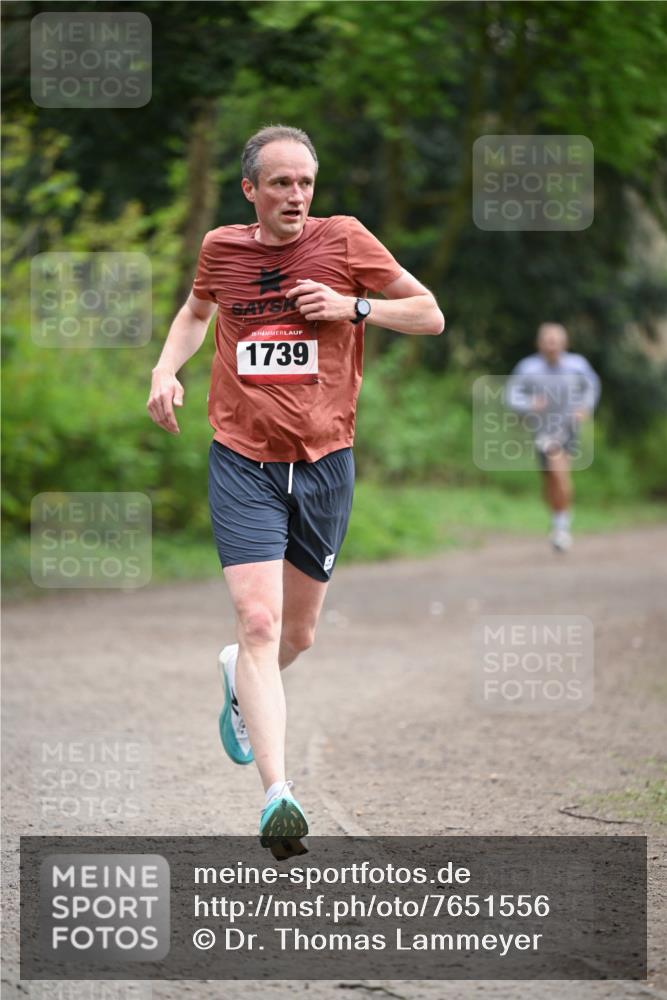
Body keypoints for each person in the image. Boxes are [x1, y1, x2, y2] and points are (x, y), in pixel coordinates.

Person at [147, 124, 444, 858]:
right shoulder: (222, 248)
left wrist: (354, 308)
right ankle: (278, 795)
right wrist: (165, 369)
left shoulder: (345, 240)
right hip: (242, 458)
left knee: (297, 635)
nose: (296, 195)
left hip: (324, 462)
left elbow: (429, 313)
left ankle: (239, 682)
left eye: (305, 182)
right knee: (258, 621)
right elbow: (197, 311)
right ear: (250, 189)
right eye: (280, 182)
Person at [506, 323, 600, 552]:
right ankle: (559, 518)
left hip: (567, 427)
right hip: (541, 430)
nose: (552, 345)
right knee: (550, 480)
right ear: (539, 343)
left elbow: (592, 386)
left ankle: (562, 526)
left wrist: (585, 406)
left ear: (564, 343)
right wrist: (530, 404)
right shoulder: (528, 368)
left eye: (556, 340)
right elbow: (511, 395)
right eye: (547, 340)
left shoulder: (577, 365)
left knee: (559, 472)